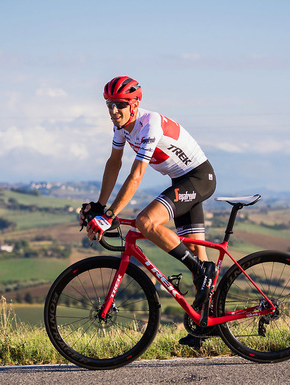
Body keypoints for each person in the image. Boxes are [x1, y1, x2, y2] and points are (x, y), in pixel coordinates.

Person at [80, 76, 217, 347]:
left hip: (198, 178)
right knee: (198, 257)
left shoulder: (149, 124)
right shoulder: (121, 128)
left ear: (134, 104)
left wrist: (109, 216)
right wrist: (99, 205)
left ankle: (201, 270)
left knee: (146, 221)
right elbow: (114, 163)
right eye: (109, 105)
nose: (113, 111)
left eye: (120, 104)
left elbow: (136, 174)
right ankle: (207, 325)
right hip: (181, 182)